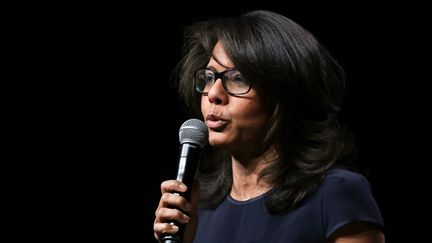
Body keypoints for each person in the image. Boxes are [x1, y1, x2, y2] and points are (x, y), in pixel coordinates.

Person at [153, 9, 385, 243]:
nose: (214, 93)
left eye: (238, 78)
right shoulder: (197, 207)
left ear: (281, 95)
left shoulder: (336, 193)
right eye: (210, 77)